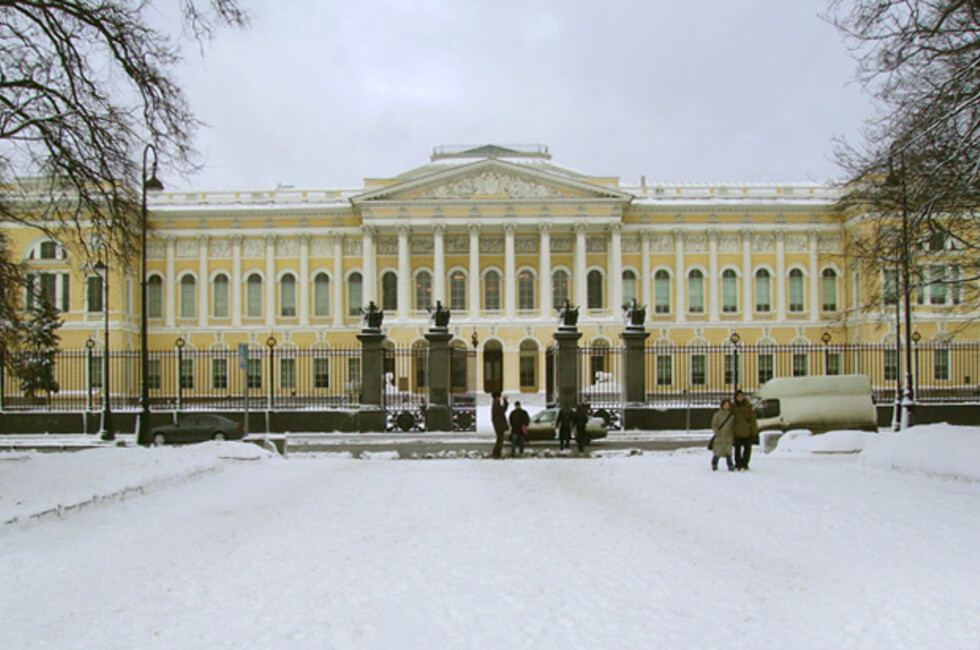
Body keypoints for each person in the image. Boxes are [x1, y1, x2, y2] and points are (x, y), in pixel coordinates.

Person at [731, 389, 759, 471]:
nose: (740, 398)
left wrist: (754, 431)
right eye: (738, 396)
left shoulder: (748, 406)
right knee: (737, 449)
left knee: (747, 449)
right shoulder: (733, 407)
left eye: (741, 396)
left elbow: (752, 419)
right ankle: (738, 463)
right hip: (737, 431)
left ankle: (745, 463)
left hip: (747, 430)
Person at [709, 398, 736, 471]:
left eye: (728, 405)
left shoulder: (732, 415)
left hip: (728, 436)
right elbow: (714, 424)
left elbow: (733, 425)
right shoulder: (718, 415)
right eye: (725, 405)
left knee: (728, 452)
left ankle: (730, 465)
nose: (727, 406)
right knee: (718, 451)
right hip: (720, 436)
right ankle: (714, 463)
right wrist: (717, 432)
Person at [490, 392, 509, 459]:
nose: (499, 398)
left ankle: (496, 453)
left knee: (499, 439)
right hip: (499, 425)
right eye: (499, 397)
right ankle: (496, 454)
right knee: (500, 440)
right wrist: (505, 401)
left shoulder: (495, 403)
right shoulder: (496, 403)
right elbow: (502, 410)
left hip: (498, 424)